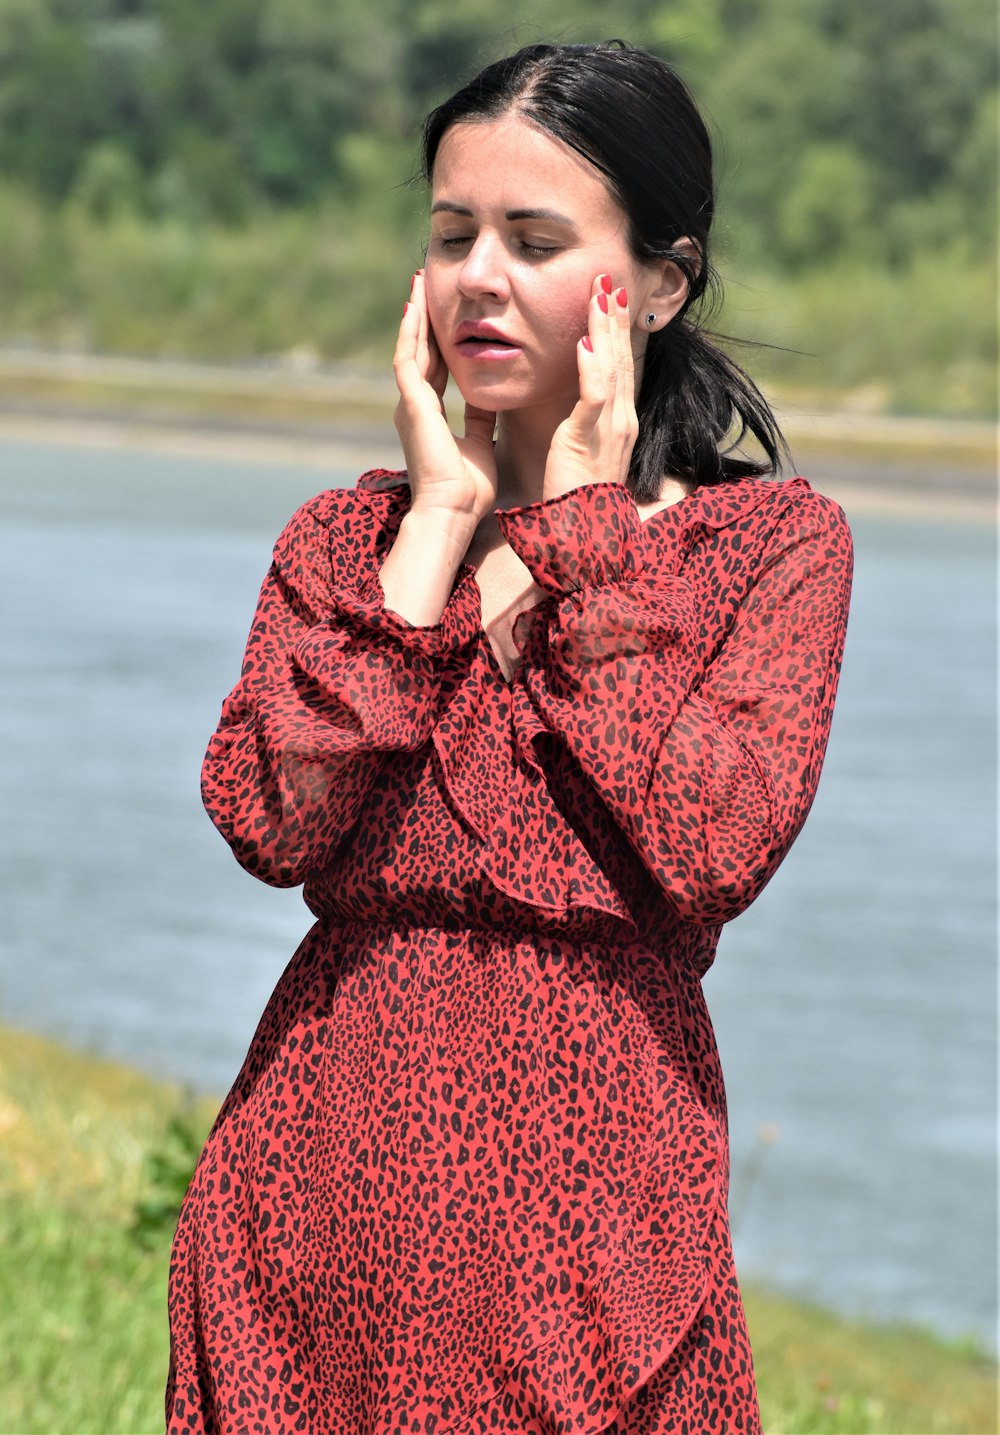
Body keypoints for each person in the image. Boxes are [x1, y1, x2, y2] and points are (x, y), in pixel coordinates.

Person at [166, 40, 853, 1435]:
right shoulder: (346, 538)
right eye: (450, 234)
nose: (478, 275)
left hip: (590, 1234)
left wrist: (591, 538)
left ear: (661, 281)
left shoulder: (768, 546)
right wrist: (432, 524)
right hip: (306, 1207)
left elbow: (712, 842)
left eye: (535, 241)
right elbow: (265, 820)